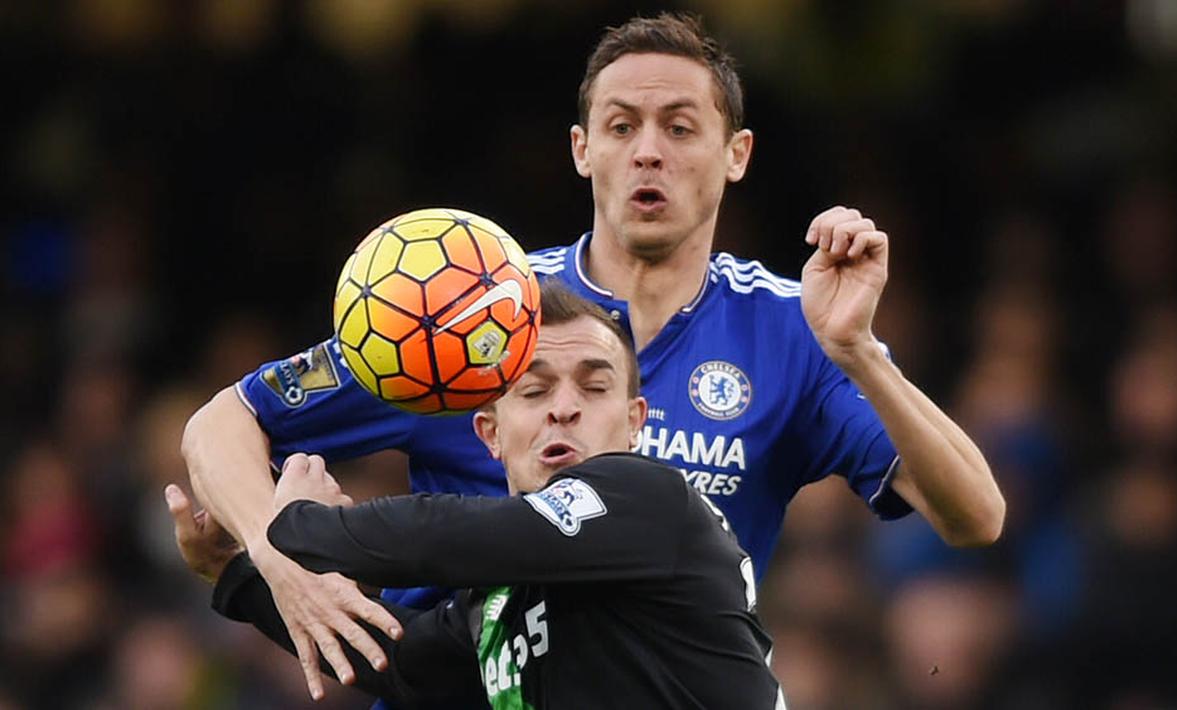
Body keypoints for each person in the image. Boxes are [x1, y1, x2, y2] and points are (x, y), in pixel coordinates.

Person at [182, 11, 1004, 701]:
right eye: (621, 126)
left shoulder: (795, 327)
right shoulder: (470, 312)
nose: (648, 150)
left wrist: (857, 352)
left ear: (736, 154)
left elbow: (975, 517)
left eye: (680, 127)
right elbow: (225, 422)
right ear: (583, 150)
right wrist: (268, 560)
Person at [169, 284, 784, 709]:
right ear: (489, 432)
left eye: (594, 389)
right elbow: (409, 666)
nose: (565, 407)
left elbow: (447, 535)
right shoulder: (499, 598)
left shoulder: (655, 501)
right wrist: (237, 575)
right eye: (535, 391)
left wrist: (296, 525)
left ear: (635, 423)